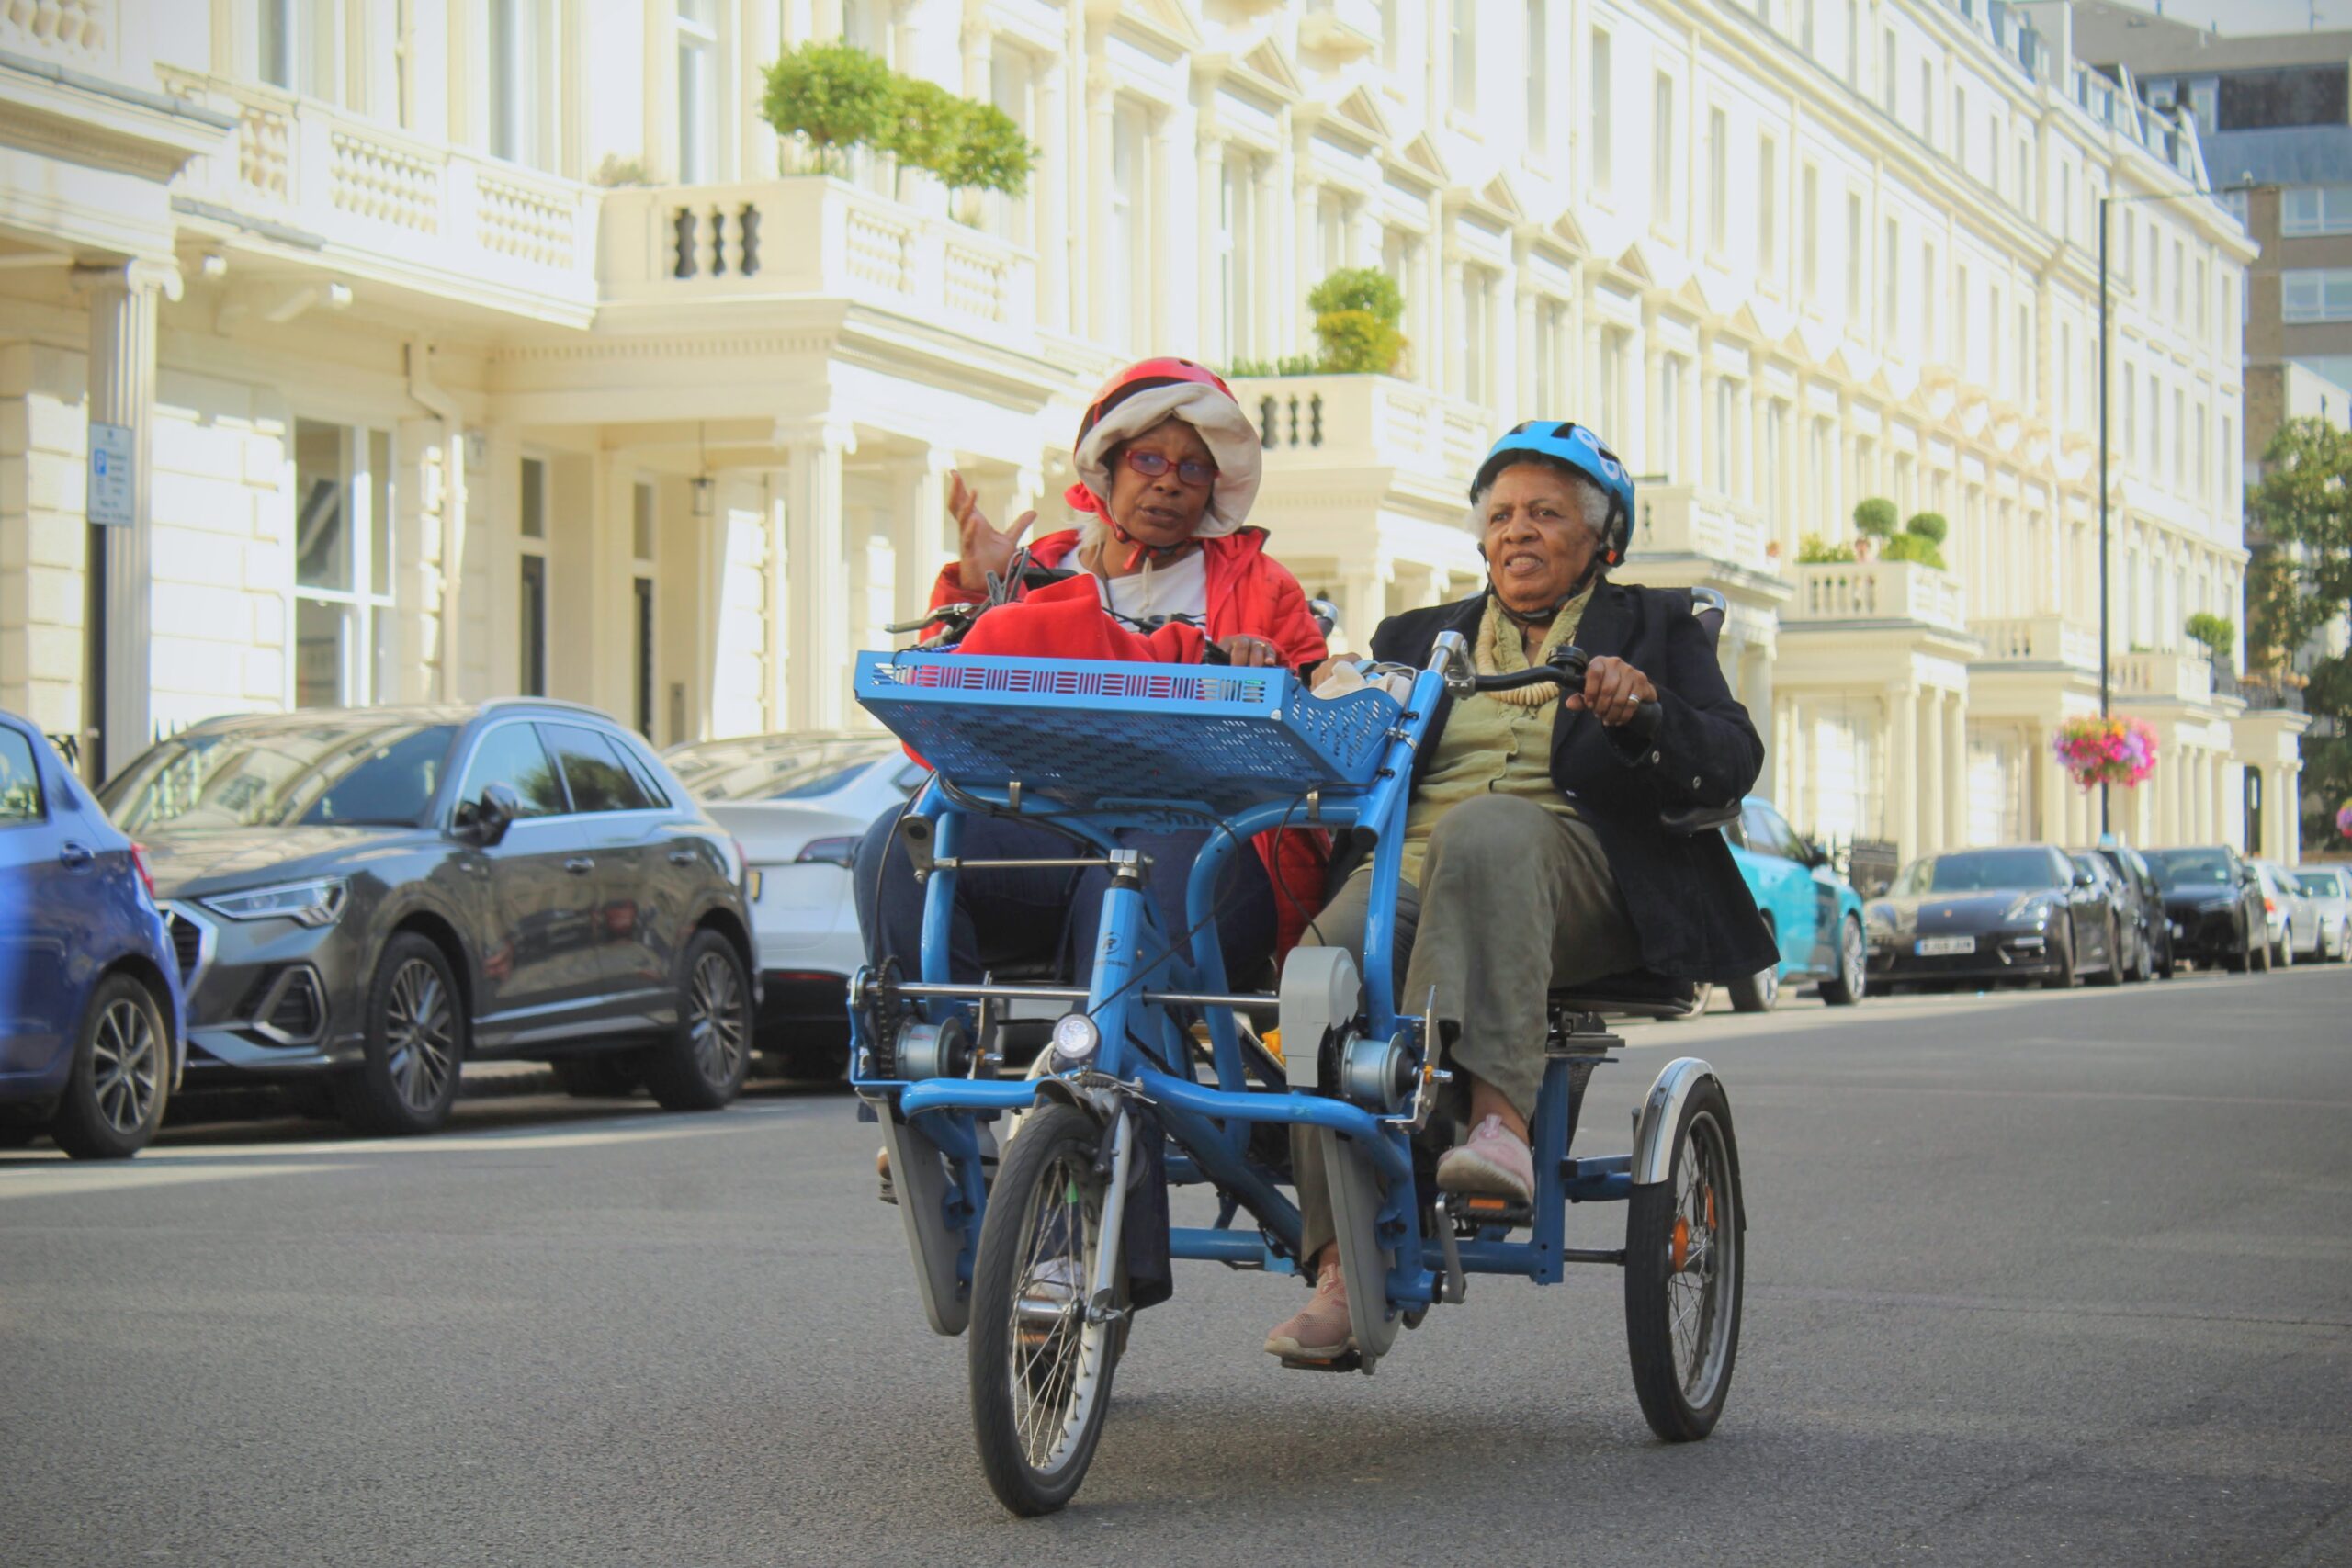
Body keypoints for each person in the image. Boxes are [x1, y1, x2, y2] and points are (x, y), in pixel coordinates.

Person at [1264, 421, 1776, 1362]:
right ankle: (1340, 1268)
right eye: (1501, 515)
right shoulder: (1414, 639)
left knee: (1488, 829)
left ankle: (1496, 1125)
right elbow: (1353, 761)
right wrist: (1305, 699)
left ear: (1599, 540)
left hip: (1581, 878)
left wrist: (1647, 711)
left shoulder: (1655, 625)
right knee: (1319, 967)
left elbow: (1731, 764)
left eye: (1546, 513)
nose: (1518, 532)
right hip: (1408, 878)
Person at [854, 358, 1330, 997]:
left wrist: (1265, 666)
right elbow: (937, 722)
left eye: (1194, 467)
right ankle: (923, 1069)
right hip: (1046, 836)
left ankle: (1110, 1083)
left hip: (1207, 851)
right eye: (1150, 461)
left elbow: (1321, 726)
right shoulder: (1032, 573)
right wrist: (976, 591)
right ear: (1108, 465)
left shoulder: (1266, 589)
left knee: (1125, 883)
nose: (1170, 484)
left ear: (1215, 486)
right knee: (897, 845)